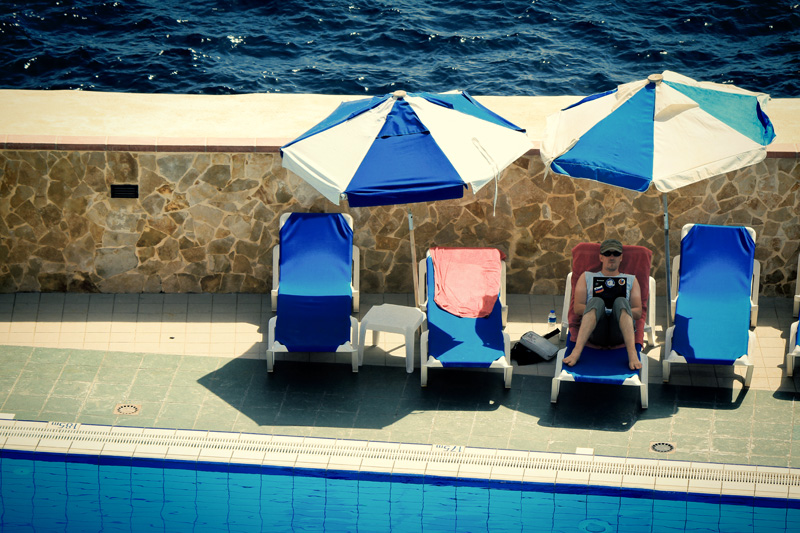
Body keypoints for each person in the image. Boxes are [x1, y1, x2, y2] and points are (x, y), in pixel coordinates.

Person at [562, 239, 643, 371]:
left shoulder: (631, 279)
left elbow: (638, 312)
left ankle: (632, 353)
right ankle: (576, 351)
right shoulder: (586, 277)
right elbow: (577, 308)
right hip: (594, 331)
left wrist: (617, 310)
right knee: (596, 301)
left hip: (620, 332)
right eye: (607, 253)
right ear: (601, 257)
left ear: (621, 257)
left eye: (616, 253)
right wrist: (602, 309)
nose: (611, 257)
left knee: (621, 301)